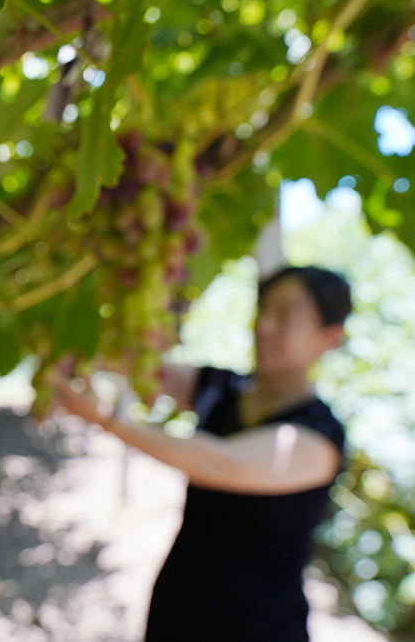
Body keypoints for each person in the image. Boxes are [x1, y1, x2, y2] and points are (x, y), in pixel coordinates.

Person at [52, 265, 352, 642]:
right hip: (179, 604)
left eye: (286, 316)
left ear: (330, 337)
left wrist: (109, 421)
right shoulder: (225, 388)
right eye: (264, 310)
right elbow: (142, 367)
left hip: (256, 626)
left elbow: (222, 462)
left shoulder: (319, 436)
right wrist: (71, 338)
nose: (264, 326)